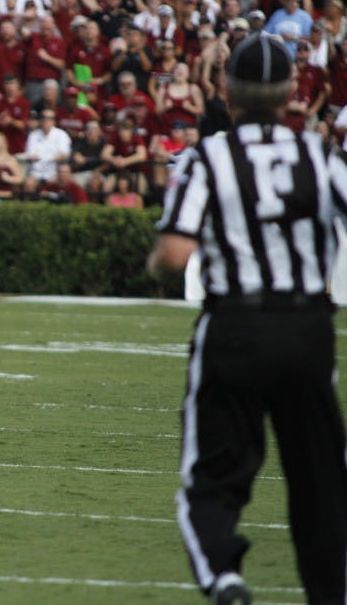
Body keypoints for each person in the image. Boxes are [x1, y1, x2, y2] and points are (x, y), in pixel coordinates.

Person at [147, 33, 347, 605]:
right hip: (308, 328)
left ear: (227, 91)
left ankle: (224, 578)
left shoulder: (211, 157)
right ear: (292, 94)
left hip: (233, 327)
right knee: (321, 485)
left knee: (210, 482)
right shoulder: (319, 155)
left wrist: (155, 262)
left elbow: (175, 256)